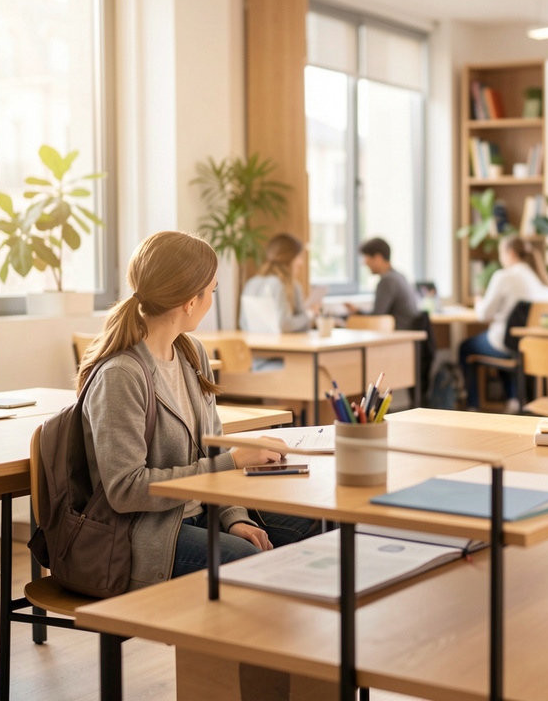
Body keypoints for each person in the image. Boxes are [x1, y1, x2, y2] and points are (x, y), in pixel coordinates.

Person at [76, 231, 317, 589]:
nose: (211, 301)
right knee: (245, 561)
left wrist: (234, 516)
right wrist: (232, 462)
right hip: (145, 531)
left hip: (203, 511)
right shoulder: (121, 375)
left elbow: (211, 446)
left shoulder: (192, 354)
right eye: (212, 291)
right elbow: (125, 490)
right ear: (191, 302)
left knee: (314, 522)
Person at [459, 235, 548, 411]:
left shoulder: (504, 276)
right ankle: (512, 399)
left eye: (501, 254)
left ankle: (472, 406)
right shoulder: (541, 281)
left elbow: (484, 315)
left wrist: (479, 302)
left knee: (465, 347)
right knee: (506, 344)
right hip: (530, 347)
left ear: (509, 253)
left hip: (507, 344)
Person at [239, 233, 318, 335]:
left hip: (254, 347)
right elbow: (284, 325)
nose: (301, 262)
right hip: (279, 348)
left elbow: (243, 324)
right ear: (290, 257)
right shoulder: (283, 285)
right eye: (299, 257)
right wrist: (310, 314)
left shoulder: (251, 283)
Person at [346, 237, 418, 330]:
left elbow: (377, 316)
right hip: (408, 336)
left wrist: (357, 312)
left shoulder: (387, 281)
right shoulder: (400, 276)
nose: (365, 263)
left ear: (378, 257)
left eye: (366, 258)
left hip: (397, 337)